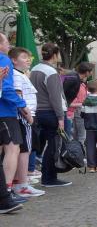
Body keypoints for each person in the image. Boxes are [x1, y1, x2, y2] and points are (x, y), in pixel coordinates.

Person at [28, 43, 70, 188]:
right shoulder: (50, 72)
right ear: (55, 55)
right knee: (54, 146)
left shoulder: (35, 69)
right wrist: (60, 118)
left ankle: (44, 175)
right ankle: (49, 178)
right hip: (51, 112)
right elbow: (55, 97)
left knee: (43, 145)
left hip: (38, 112)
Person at [9, 47, 43, 198]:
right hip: (24, 116)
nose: (28, 60)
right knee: (25, 151)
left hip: (25, 115)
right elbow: (18, 95)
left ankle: (19, 183)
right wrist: (27, 114)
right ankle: (22, 185)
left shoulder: (21, 74)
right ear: (14, 60)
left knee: (23, 150)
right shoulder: (16, 75)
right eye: (24, 57)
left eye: (29, 57)